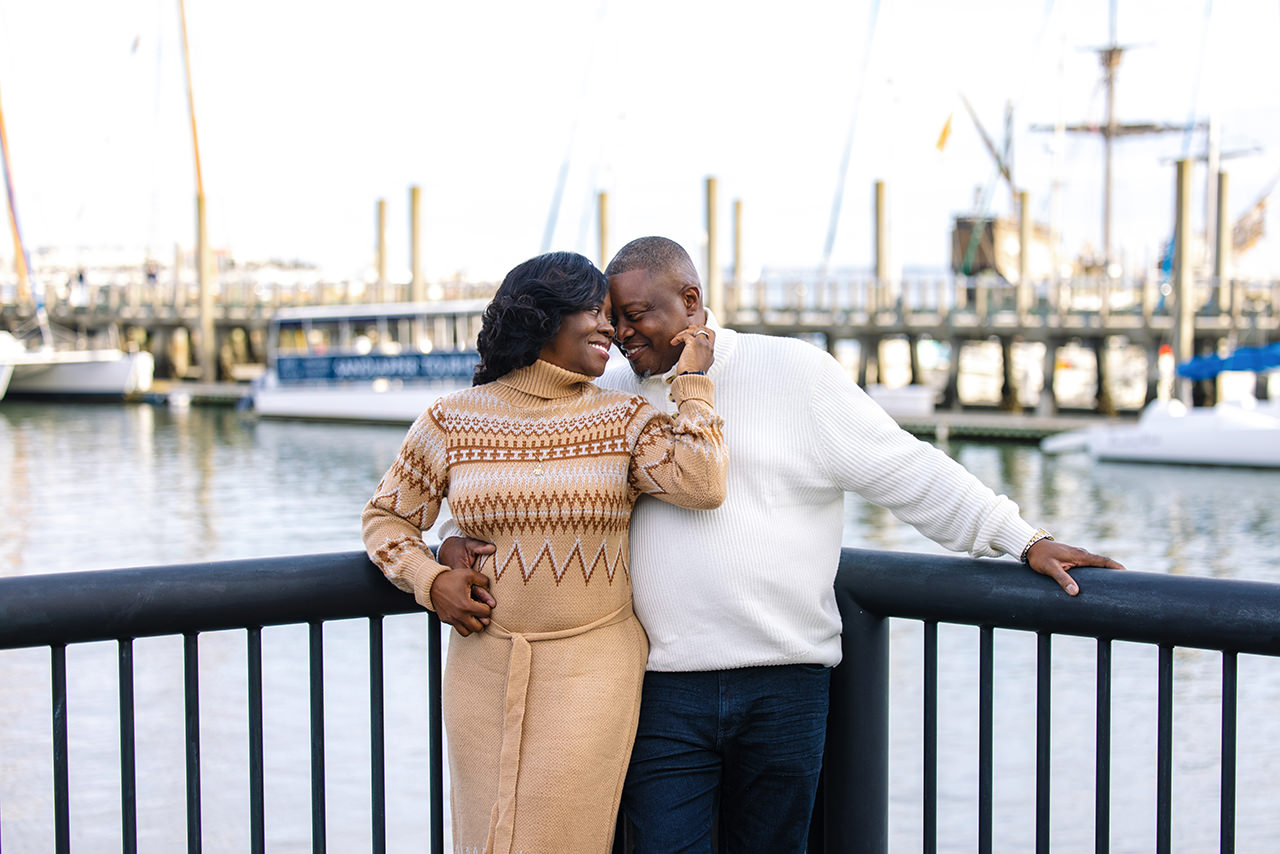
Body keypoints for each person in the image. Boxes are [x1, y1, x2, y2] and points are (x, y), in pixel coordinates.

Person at [439, 237, 1123, 854]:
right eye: (611, 317)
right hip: (658, 687)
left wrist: (1022, 539)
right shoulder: (611, 392)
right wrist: (450, 543)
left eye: (637, 314)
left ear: (692, 301)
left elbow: (906, 468)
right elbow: (526, 486)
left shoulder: (794, 372)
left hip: (785, 682)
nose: (620, 333)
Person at [361, 250, 728, 854]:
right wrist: (430, 579)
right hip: (482, 666)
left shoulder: (625, 417)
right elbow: (387, 518)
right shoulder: (452, 420)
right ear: (542, 318)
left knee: (561, 837)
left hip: (594, 665)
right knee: (484, 837)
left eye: (614, 314)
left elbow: (702, 481)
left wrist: (690, 381)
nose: (612, 328)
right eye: (596, 311)